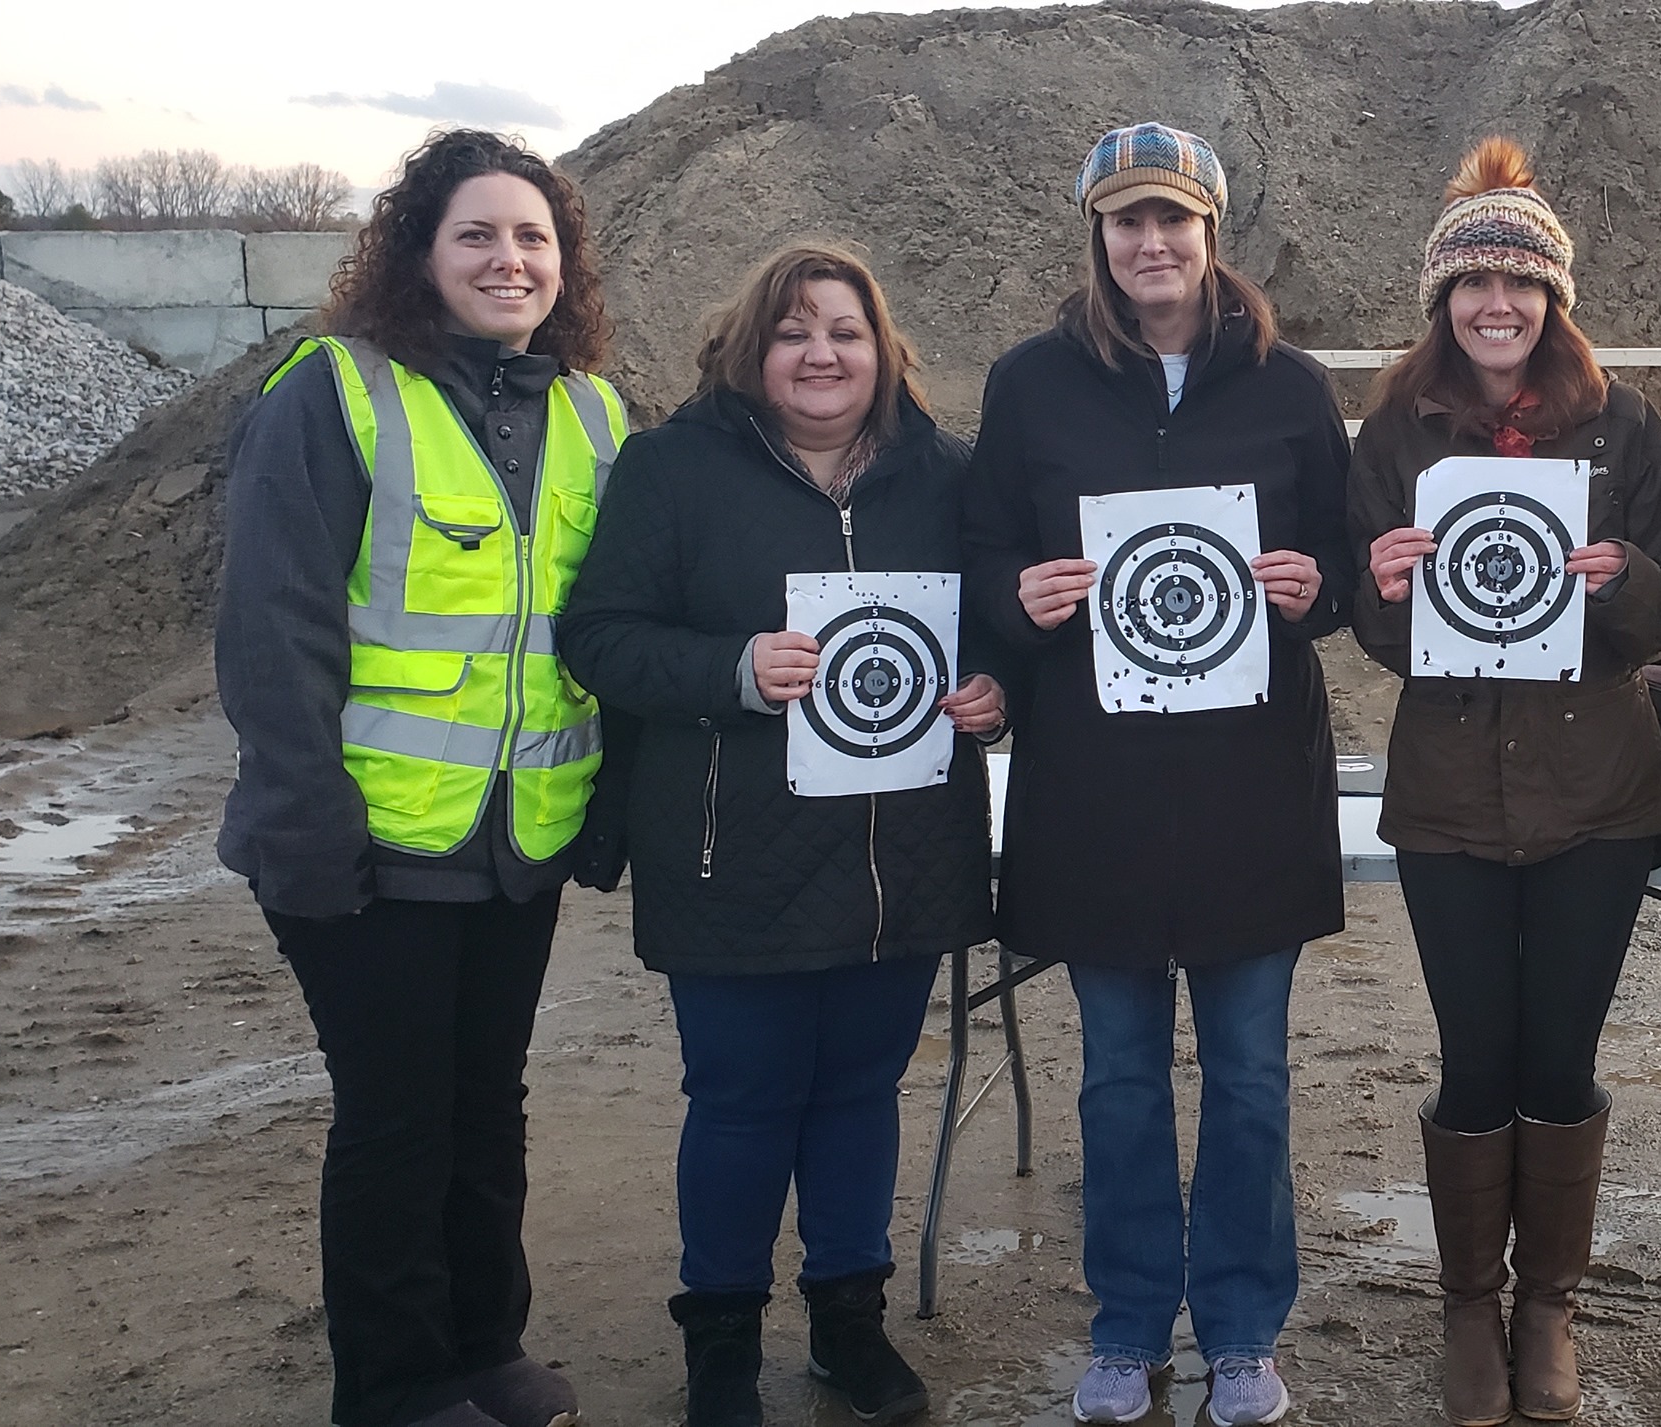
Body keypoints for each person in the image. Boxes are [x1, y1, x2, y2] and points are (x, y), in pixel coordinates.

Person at [215, 129, 624, 1427]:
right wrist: (307, 824)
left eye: (532, 239)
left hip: (515, 842)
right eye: (478, 235)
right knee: (396, 1117)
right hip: (369, 843)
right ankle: (392, 1385)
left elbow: (604, 626)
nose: (509, 260)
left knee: (482, 1103)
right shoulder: (334, 393)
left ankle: (483, 1345)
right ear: (418, 251)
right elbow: (271, 630)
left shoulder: (591, 413)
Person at [557, 243, 1006, 1427]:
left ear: (883, 348)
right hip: (730, 851)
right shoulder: (671, 468)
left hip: (900, 850)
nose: (822, 353)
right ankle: (720, 1339)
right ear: (753, 349)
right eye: (796, 330)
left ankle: (847, 1327)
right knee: (745, 1098)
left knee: (863, 1091)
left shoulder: (946, 475)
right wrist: (733, 670)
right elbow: (597, 636)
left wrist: (994, 689)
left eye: (846, 331)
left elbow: (999, 625)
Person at [965, 122, 1356, 1427]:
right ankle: (1129, 1320)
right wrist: (1017, 599)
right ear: (1097, 235)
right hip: (1095, 788)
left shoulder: (1290, 385)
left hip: (1253, 786)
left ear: (1209, 233)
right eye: (1127, 221)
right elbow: (982, 566)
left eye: (1172, 220)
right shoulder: (1031, 385)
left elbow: (1346, 564)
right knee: (1120, 1075)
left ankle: (1243, 1325)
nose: (1151, 243)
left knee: (1249, 1074)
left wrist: (1316, 586)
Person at [1345, 138, 1661, 1426]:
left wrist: (1626, 581)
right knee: (1473, 1055)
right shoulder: (1395, 432)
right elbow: (1373, 624)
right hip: (1448, 796)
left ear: (1555, 298)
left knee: (1560, 1055)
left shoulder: (1626, 425)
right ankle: (1465, 1305)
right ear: (1441, 301)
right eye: (1471, 287)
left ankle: (1545, 1302)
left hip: (1599, 796)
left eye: (1521, 286)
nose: (1496, 307)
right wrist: (1382, 584)